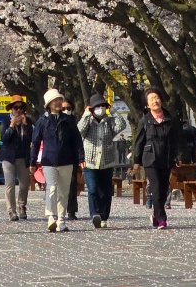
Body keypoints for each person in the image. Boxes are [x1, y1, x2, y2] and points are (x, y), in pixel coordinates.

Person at [30, 89, 85, 233]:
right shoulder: (42, 121)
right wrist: (32, 161)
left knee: (63, 191)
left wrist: (81, 158)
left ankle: (61, 219)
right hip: (48, 161)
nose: (58, 102)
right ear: (48, 104)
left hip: (67, 160)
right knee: (51, 188)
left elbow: (77, 140)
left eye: (59, 99)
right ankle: (51, 217)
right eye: (55, 100)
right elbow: (35, 142)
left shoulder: (68, 120)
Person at [78, 93, 127, 229]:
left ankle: (104, 216)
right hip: (90, 162)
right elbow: (79, 131)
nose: (100, 108)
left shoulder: (109, 121)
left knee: (105, 191)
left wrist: (113, 111)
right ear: (91, 108)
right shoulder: (88, 121)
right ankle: (95, 214)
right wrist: (85, 114)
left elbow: (121, 125)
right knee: (92, 188)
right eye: (97, 106)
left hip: (107, 161)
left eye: (102, 106)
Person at [133, 88, 178, 229]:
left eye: (157, 97)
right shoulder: (145, 121)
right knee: (156, 187)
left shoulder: (170, 118)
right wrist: (136, 161)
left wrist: (179, 156)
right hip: (150, 158)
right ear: (147, 104)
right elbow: (139, 141)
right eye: (151, 99)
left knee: (164, 188)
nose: (155, 101)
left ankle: (155, 215)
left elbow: (176, 139)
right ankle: (162, 219)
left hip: (166, 157)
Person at [0, 97, 34, 221]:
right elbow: (3, 138)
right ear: (12, 109)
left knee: (24, 184)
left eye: (21, 107)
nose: (18, 110)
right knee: (10, 184)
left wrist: (25, 125)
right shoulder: (6, 121)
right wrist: (12, 126)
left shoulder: (28, 122)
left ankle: (22, 206)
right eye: (16, 107)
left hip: (22, 157)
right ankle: (11, 211)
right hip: (8, 157)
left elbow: (30, 139)